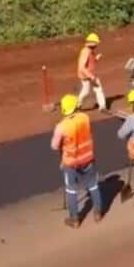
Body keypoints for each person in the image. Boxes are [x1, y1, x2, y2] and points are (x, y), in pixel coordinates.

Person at [51, 94, 103, 228]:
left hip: (71, 163)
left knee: (71, 190)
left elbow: (54, 146)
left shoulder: (61, 127)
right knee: (93, 185)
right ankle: (98, 212)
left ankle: (74, 219)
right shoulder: (85, 118)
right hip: (88, 158)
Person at [77, 33, 106, 112]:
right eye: (96, 43)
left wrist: (96, 58)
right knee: (87, 91)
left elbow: (90, 63)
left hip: (89, 75)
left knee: (96, 89)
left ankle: (102, 106)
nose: (97, 45)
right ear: (92, 43)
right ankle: (77, 105)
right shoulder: (85, 52)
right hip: (87, 75)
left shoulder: (90, 51)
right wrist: (91, 76)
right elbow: (82, 67)